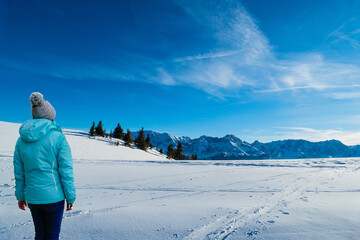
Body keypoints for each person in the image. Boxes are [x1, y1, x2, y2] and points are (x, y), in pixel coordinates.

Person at [13, 92, 76, 240]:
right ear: (50, 117)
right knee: (52, 234)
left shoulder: (21, 140)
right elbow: (66, 170)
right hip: (54, 197)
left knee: (40, 234)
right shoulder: (58, 137)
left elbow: (19, 172)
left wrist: (21, 196)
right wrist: (71, 197)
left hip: (33, 197)